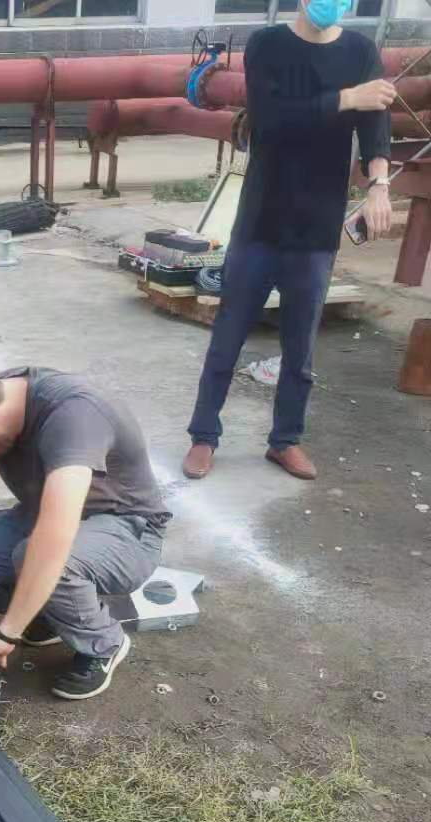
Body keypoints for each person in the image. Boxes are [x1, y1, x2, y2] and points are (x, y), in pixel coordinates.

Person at [183, 0, 394, 482]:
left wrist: (379, 185)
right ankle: (203, 436)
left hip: (317, 225)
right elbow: (272, 121)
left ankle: (285, 440)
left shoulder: (362, 52)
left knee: (300, 349)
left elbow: (375, 125)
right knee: (228, 337)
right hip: (261, 220)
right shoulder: (267, 46)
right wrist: (347, 97)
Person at [0, 365, 171, 702]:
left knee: (41, 558)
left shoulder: (74, 418)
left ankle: (104, 641)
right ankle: (54, 614)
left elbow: (55, 535)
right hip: (46, 510)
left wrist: (6, 634)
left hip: (126, 527)